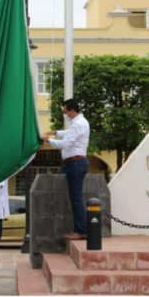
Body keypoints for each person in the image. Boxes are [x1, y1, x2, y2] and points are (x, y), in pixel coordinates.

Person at [43, 98, 91, 241]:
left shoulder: (78, 124)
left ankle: (81, 230)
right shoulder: (78, 123)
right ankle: (78, 229)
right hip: (74, 163)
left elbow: (65, 143)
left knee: (76, 198)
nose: (65, 115)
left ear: (72, 111)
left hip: (76, 163)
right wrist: (54, 132)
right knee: (75, 198)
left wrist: (47, 140)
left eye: (65, 112)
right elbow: (68, 134)